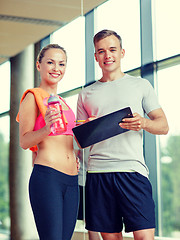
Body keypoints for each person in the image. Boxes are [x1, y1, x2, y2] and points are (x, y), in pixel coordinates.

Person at [76, 29, 169, 240]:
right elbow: (78, 140)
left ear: (122, 52)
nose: (107, 55)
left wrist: (143, 122)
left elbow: (163, 125)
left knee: (145, 236)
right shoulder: (85, 94)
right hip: (98, 174)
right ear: (95, 57)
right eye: (101, 51)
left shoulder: (141, 85)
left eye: (112, 49)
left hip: (132, 171)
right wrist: (89, 127)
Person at [16, 44, 79, 240]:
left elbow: (69, 140)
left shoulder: (64, 103)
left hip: (72, 180)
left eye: (61, 64)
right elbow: (24, 141)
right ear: (38, 65)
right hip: (48, 177)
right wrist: (46, 129)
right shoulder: (32, 97)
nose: (56, 68)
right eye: (50, 62)